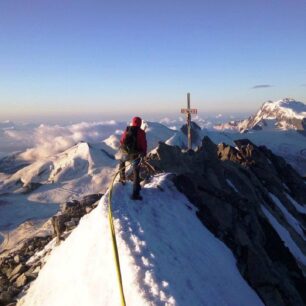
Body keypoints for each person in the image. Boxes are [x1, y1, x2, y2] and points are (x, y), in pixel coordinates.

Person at [119, 116, 147, 200]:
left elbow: (122, 141)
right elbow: (143, 144)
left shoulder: (127, 130)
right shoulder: (141, 132)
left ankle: (122, 179)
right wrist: (144, 153)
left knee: (121, 162)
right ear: (140, 123)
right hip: (136, 155)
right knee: (136, 173)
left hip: (126, 154)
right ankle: (135, 194)